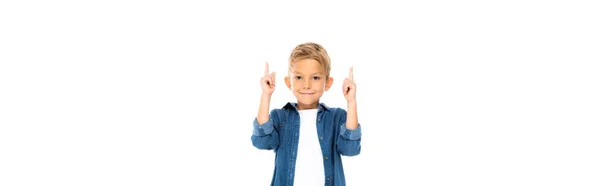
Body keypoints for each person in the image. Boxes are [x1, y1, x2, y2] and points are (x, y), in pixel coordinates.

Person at [251, 42, 362, 186]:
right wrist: (266, 95)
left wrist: (351, 102)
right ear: (288, 82)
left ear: (328, 83)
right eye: (298, 77)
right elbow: (262, 142)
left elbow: (350, 149)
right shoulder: (280, 117)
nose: (306, 85)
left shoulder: (336, 117)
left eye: (315, 78)